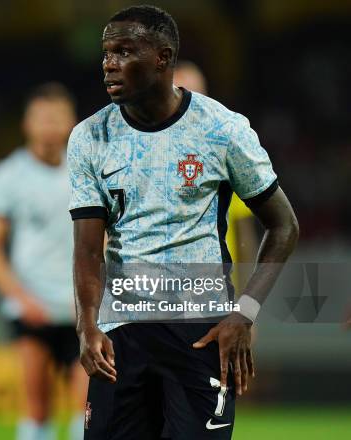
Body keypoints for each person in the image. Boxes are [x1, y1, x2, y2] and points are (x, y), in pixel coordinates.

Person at [68, 5, 299, 440]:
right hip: (123, 332)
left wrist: (244, 314)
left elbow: (284, 226)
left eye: (123, 51)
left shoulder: (222, 130)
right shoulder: (89, 137)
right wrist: (87, 325)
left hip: (202, 332)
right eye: (106, 53)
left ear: (162, 57)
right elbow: (86, 249)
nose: (108, 64)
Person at [0, 83, 88, 440]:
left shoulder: (88, 170)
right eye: (42, 117)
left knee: (89, 409)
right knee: (36, 407)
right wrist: (20, 297)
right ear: (27, 123)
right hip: (32, 309)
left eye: (58, 117)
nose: (50, 125)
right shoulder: (7, 176)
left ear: (73, 122)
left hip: (83, 310)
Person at [173, 60, 259, 288]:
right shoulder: (144, 157)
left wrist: (248, 305)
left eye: (196, 95)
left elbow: (244, 234)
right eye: (180, 95)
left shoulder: (226, 151)